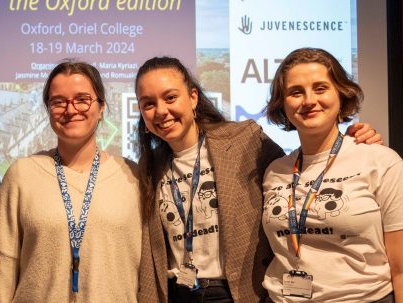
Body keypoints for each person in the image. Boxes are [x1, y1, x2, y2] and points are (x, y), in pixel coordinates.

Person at [134, 56, 382, 303]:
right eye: (148, 104)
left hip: (241, 293)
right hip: (180, 293)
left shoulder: (244, 140)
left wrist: (348, 142)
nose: (161, 111)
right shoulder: (149, 167)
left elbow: (299, 173)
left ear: (193, 97)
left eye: (170, 97)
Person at [0, 61, 141, 302]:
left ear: (101, 108)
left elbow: (147, 270)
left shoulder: (131, 176)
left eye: (82, 99)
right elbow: (1, 269)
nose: (71, 109)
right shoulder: (22, 175)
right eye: (58, 102)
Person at [262, 47, 403, 302]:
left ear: (341, 94)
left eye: (320, 88)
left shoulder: (381, 161)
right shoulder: (275, 171)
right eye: (296, 92)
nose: (308, 100)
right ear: (282, 104)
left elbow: (401, 269)